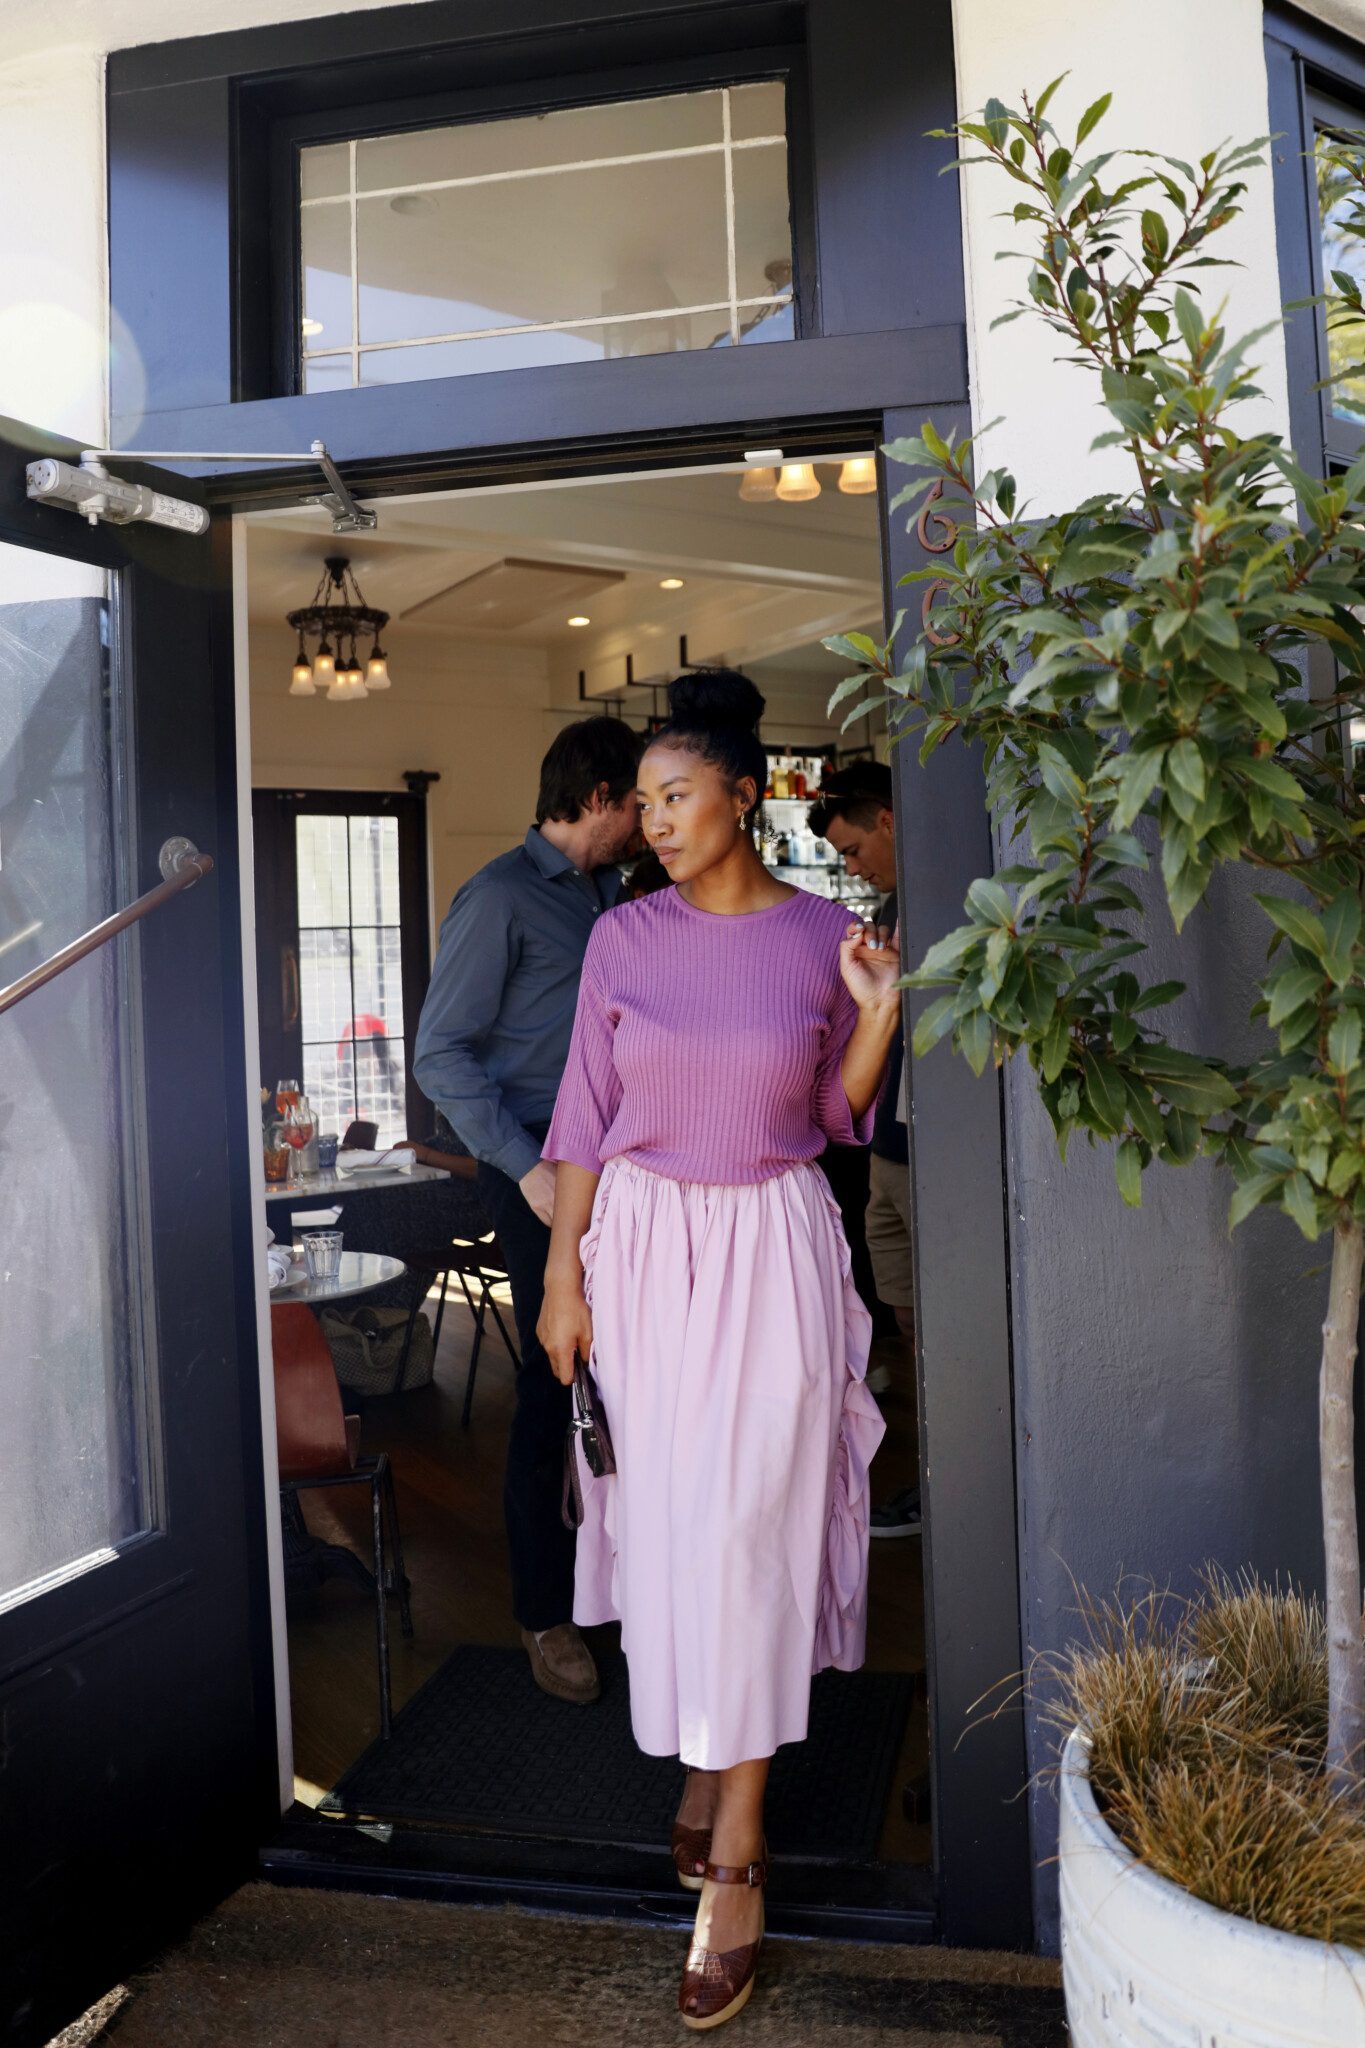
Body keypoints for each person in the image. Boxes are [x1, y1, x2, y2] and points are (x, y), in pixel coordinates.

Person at [537, 671, 898, 2030]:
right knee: (675, 1527)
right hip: (639, 1252)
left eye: (674, 797)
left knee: (752, 1528)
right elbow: (583, 1112)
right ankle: (705, 1755)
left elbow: (831, 1115)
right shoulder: (623, 938)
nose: (653, 822)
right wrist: (564, 1277)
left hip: (772, 1249)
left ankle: (735, 1858)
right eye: (641, 804)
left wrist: (877, 1015)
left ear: (746, 796)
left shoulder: (820, 936)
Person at [413, 715, 643, 1706]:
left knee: (634, 1388)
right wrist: (525, 1164)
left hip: (633, 1170)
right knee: (555, 1395)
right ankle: (546, 1613)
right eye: (646, 800)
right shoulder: (498, 899)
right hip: (541, 1171)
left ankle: (630, 1591)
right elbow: (438, 1052)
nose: (654, 820)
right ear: (601, 797)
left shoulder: (621, 896)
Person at [808, 764, 920, 1539]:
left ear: (886, 818)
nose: (851, 867)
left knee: (941, 1328)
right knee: (909, 1326)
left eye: (852, 849)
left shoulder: (947, 903)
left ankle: (940, 1486)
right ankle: (929, 1476)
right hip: (889, 1151)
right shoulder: (887, 912)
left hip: (932, 1155)